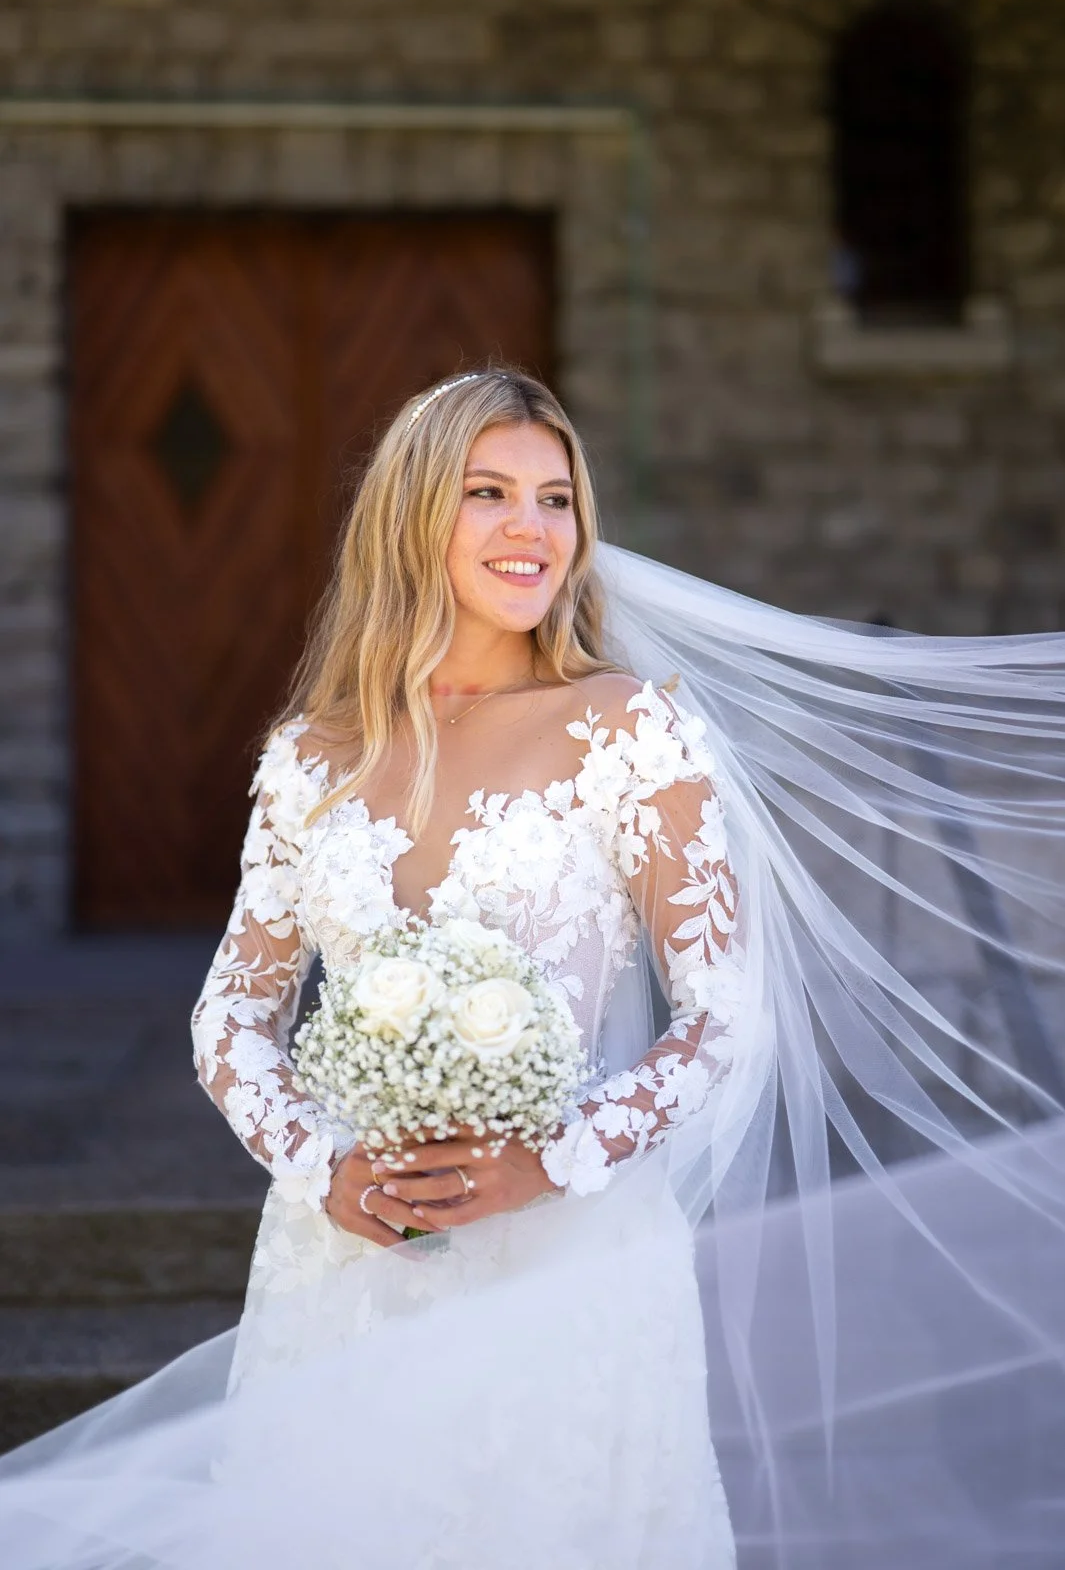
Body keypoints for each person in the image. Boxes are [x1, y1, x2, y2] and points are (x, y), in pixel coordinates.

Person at [1, 368, 1063, 1570]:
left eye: (557, 499)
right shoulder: (315, 754)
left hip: (574, 1261)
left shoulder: (630, 728)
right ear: (413, 513)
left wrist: (550, 1157)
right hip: (347, 1263)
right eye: (490, 492)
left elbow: (724, 1018)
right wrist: (323, 1164)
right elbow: (227, 1019)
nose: (533, 529)